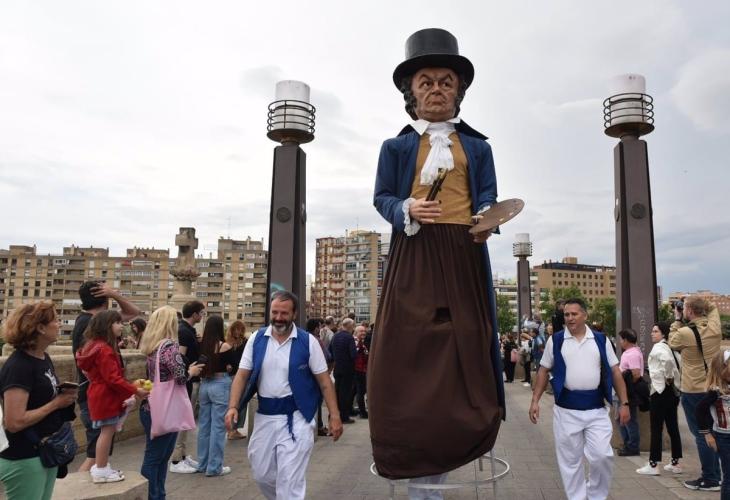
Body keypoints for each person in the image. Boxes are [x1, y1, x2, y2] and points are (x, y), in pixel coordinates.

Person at [370, 28, 504, 491]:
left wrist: (486, 217)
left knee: (469, 333)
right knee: (409, 338)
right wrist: (406, 208)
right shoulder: (395, 147)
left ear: (458, 90)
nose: (436, 90)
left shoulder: (479, 147)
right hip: (416, 250)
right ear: (412, 92)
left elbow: (487, 195)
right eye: (426, 82)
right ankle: (409, 438)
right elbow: (382, 197)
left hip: (463, 251)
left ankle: (467, 426)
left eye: (446, 82)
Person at [225, 291, 343, 500]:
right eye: (275, 312)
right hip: (265, 416)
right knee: (262, 474)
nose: (278, 318)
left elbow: (325, 382)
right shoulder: (257, 339)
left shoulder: (308, 342)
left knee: (289, 481)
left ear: (294, 314)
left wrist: (334, 415)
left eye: (284, 313)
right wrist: (233, 406)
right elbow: (241, 375)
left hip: (298, 418)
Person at [529, 298, 630, 500]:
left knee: (602, 456)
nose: (570, 318)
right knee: (570, 461)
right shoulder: (555, 340)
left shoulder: (600, 340)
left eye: (574, 314)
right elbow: (543, 370)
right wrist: (535, 401)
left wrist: (624, 403)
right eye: (566, 314)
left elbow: (615, 372)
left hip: (596, 408)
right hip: (566, 410)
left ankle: (596, 495)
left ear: (585, 315)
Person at [0, 302, 78, 500]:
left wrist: (64, 396)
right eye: (55, 320)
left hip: (45, 451)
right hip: (24, 456)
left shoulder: (43, 358)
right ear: (40, 328)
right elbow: (14, 422)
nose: (59, 324)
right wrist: (56, 403)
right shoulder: (19, 367)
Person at [72, 280, 141, 472]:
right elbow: (105, 375)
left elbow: (133, 312)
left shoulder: (88, 321)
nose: (120, 325)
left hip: (93, 394)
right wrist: (114, 295)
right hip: (97, 396)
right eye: (117, 323)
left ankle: (99, 474)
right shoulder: (91, 323)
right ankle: (83, 484)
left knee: (98, 450)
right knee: (94, 455)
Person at [138, 306, 204, 500]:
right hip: (165, 410)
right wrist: (191, 372)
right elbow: (180, 377)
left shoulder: (152, 347)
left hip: (151, 407)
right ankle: (154, 495)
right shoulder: (169, 346)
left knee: (156, 456)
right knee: (156, 458)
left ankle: (157, 495)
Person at [668, 296, 722, 491]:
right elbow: (713, 308)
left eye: (685, 308)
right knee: (713, 431)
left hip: (693, 390)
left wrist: (677, 318)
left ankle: (710, 479)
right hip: (713, 387)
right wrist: (694, 302)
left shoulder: (684, 332)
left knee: (701, 434)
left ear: (689, 311)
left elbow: (671, 341)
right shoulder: (715, 327)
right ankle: (716, 475)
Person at [636, 321, 682, 475]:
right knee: (673, 427)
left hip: (660, 391)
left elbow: (667, 362)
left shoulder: (659, 347)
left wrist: (667, 376)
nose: (652, 333)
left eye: (655, 331)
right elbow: (678, 365)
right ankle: (675, 463)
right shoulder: (672, 348)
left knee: (656, 428)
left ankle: (653, 464)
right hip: (672, 392)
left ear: (663, 334)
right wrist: (673, 379)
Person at [196, 314, 235, 476]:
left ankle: (202, 464)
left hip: (204, 385)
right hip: (220, 385)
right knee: (218, 428)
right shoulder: (224, 346)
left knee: (204, 427)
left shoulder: (201, 345)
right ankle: (214, 467)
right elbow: (231, 367)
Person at [170, 300, 205, 473]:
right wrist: (189, 371)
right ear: (195, 314)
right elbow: (180, 358)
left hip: (190, 380)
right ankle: (176, 460)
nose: (203, 316)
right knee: (182, 420)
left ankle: (182, 455)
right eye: (202, 313)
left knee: (185, 420)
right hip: (188, 381)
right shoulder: (184, 331)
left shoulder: (187, 330)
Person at [696, 350, 730, 499]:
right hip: (724, 437)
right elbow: (699, 411)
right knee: (729, 475)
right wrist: (707, 434)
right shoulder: (716, 391)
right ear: (723, 367)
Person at [616, 328, 644, 456]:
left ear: (626, 340)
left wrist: (626, 386)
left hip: (628, 391)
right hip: (625, 390)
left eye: (621, 339)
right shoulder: (630, 352)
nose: (620, 342)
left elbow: (636, 374)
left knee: (629, 420)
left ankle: (632, 446)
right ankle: (627, 444)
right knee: (621, 419)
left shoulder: (632, 354)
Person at [305, 318, 331, 437]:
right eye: (319, 327)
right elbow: (327, 356)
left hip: (306, 376)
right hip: (317, 376)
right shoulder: (316, 340)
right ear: (316, 328)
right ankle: (319, 426)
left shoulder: (303, 339)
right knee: (318, 402)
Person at [330, 318, 356, 424]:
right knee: (345, 394)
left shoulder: (335, 336)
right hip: (347, 369)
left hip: (337, 368)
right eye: (353, 326)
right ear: (350, 326)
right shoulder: (349, 337)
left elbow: (330, 352)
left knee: (337, 392)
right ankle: (344, 417)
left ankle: (334, 414)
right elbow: (353, 354)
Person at [225, 320, 248, 440]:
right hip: (229, 375)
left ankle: (235, 429)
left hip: (241, 375)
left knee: (242, 402)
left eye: (240, 329)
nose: (238, 331)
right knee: (231, 403)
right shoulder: (226, 341)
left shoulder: (245, 342)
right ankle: (231, 430)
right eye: (236, 328)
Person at [353, 325, 369, 419]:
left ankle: (355, 409)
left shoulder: (360, 342)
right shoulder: (356, 342)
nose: (363, 333)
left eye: (364, 331)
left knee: (357, 390)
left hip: (361, 369)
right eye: (361, 331)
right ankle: (362, 412)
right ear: (356, 332)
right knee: (361, 391)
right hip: (359, 369)